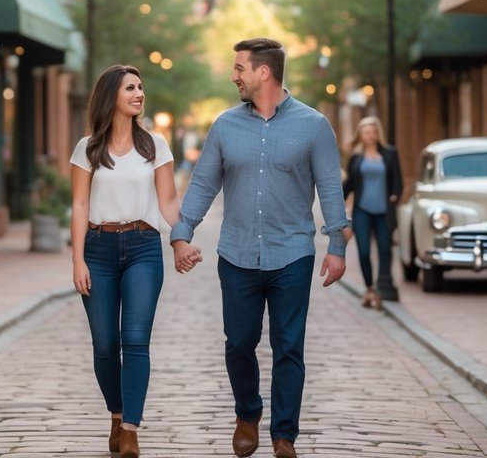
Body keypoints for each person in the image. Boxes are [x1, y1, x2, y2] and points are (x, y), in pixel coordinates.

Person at [171, 38, 349, 458]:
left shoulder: (314, 125)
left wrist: (336, 244)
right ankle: (247, 412)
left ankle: (283, 434)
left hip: (293, 254)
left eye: (239, 69)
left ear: (263, 72)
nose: (234, 76)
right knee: (239, 342)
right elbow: (202, 185)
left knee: (289, 345)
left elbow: (330, 188)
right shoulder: (225, 126)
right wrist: (182, 234)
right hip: (236, 254)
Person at [69, 64, 198, 458]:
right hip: (98, 248)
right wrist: (77, 261)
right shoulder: (87, 148)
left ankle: (130, 430)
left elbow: (169, 202)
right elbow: (78, 204)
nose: (139, 93)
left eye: (141, 87)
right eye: (130, 88)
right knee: (105, 344)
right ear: (112, 95)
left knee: (136, 339)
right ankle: (116, 411)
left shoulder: (154, 145)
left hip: (143, 246)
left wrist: (181, 239)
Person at [343, 115, 403, 310]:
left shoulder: (390, 154)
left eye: (374, 132)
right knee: (364, 252)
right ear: (361, 135)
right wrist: (336, 203)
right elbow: (350, 184)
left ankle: (381, 286)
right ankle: (369, 288)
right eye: (367, 132)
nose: (371, 135)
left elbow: (398, 182)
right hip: (362, 211)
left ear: (378, 134)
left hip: (383, 212)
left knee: (385, 249)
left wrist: (394, 196)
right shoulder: (356, 158)